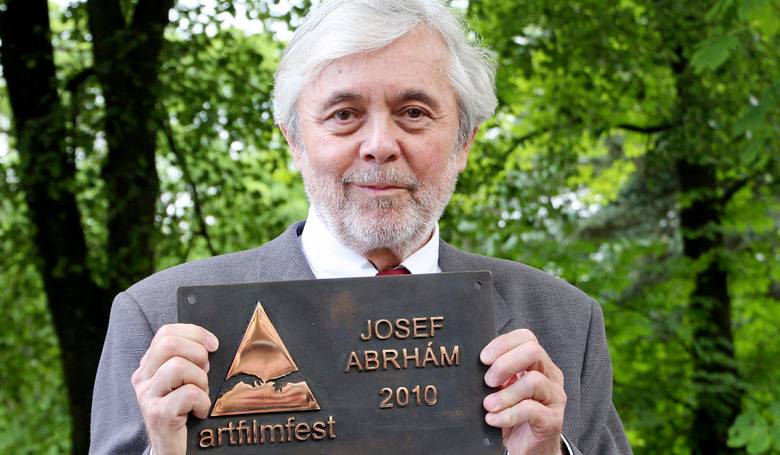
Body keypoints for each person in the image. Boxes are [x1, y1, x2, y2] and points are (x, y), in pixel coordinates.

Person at [89, 1, 632, 454]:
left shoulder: (565, 323)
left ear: (463, 142)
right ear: (294, 142)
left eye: (413, 112)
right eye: (344, 114)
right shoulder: (156, 319)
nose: (379, 145)